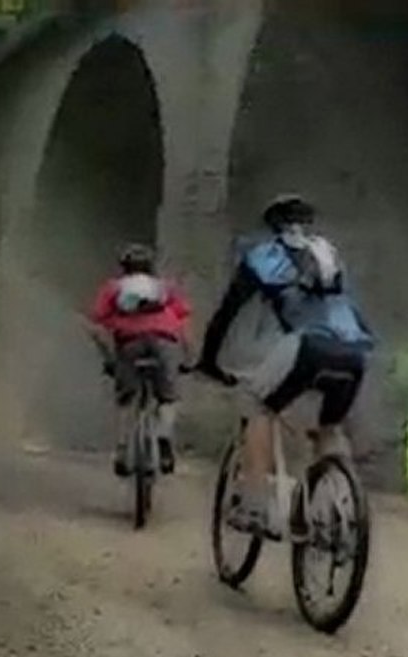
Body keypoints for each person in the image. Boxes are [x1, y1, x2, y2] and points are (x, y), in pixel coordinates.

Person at [195, 194, 374, 536]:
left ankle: (255, 505)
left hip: (308, 344)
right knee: (330, 427)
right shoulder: (330, 255)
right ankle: (338, 510)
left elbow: (225, 316)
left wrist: (208, 361)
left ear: (272, 225)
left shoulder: (264, 256)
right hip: (354, 352)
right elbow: (352, 312)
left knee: (257, 405)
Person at [84, 243, 193, 477]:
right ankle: (163, 439)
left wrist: (109, 357)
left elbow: (96, 327)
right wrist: (187, 357)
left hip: (130, 344)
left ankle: (123, 449)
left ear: (123, 268)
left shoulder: (113, 288)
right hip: (164, 342)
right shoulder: (165, 288)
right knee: (168, 398)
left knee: (125, 399)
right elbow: (182, 323)